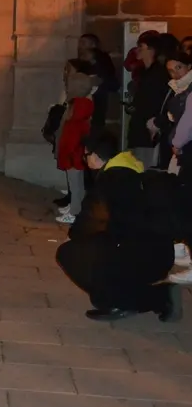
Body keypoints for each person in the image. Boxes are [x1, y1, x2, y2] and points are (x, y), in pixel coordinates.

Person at [56, 133, 182, 323]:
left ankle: (155, 298)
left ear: (95, 156)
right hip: (161, 255)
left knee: (68, 253)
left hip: (137, 256)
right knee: (104, 249)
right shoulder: (134, 170)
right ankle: (117, 295)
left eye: (86, 155)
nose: (85, 159)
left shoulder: (110, 179)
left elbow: (91, 219)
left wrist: (72, 237)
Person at [128, 33, 174, 168]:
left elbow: (157, 104)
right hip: (140, 129)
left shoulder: (159, 74)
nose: (137, 50)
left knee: (145, 168)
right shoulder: (145, 72)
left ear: (151, 50)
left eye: (141, 46)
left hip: (149, 132)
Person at [55, 70, 94, 225]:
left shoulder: (80, 105)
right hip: (73, 150)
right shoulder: (80, 103)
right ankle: (74, 207)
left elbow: (74, 132)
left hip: (73, 151)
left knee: (76, 184)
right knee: (75, 183)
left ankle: (75, 211)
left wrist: (69, 151)